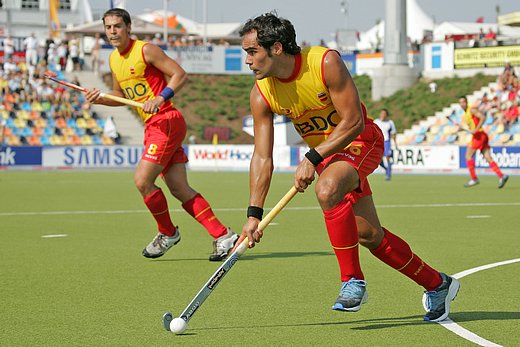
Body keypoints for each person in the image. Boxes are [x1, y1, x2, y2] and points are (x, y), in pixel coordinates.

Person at [237, 12, 459, 322]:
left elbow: (353, 122)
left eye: (251, 51)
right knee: (369, 235)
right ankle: (438, 284)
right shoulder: (261, 93)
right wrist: (253, 215)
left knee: (326, 189)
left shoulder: (325, 62)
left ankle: (352, 280)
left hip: (361, 141)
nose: (246, 60)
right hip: (331, 157)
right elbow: (262, 157)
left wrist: (312, 158)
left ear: (276, 48)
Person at [85, 8, 238, 261]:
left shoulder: (145, 50)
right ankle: (224, 236)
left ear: (128, 27)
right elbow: (121, 96)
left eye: (117, 26)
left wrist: (160, 97)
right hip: (153, 126)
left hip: (165, 120)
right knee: (179, 188)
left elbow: (180, 74)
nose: (112, 31)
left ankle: (167, 232)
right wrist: (101, 100)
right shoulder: (113, 60)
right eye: (108, 27)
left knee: (142, 181)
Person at [458, 96, 509, 188]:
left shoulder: (472, 110)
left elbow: (483, 117)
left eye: (463, 102)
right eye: (460, 103)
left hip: (479, 136)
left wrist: (476, 129)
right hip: (481, 136)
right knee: (488, 158)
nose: (462, 104)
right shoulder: (465, 114)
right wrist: (463, 129)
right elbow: (472, 127)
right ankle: (501, 176)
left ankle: (474, 179)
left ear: (466, 102)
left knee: (468, 156)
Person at [373, 108, 398, 180]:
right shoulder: (376, 121)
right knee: (379, 160)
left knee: (387, 158)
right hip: (378, 142)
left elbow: (393, 134)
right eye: (381, 113)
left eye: (384, 114)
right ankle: (387, 169)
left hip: (386, 142)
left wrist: (395, 144)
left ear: (386, 115)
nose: (382, 115)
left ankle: (388, 175)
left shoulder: (390, 123)